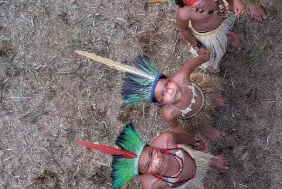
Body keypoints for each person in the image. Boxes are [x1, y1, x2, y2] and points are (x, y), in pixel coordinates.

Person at [73, 49, 227, 144]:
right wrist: (189, 140)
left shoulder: (182, 77)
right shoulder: (169, 113)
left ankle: (214, 101)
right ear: (160, 103)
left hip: (202, 93)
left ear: (169, 78)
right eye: (163, 94)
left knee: (209, 98)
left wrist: (205, 56)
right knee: (200, 124)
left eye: (167, 84)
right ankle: (207, 129)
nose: (170, 90)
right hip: (194, 117)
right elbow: (176, 127)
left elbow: (193, 62)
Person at [75, 122, 229, 189]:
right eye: (149, 166)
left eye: (151, 154)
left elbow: (182, 138)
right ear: (145, 174)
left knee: (199, 159)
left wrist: (194, 142)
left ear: (151, 146)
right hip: (184, 185)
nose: (157, 161)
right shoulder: (152, 185)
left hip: (193, 158)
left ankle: (210, 160)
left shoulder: (167, 139)